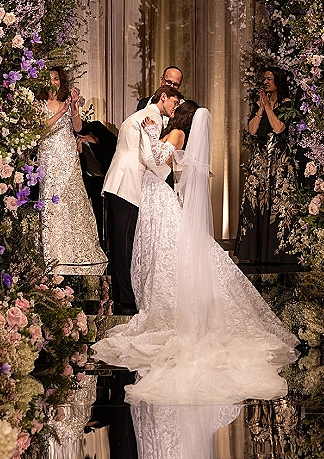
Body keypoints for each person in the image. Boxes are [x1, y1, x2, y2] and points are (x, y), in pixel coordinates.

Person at [93, 102, 298, 404]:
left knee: (165, 251)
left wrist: (151, 135)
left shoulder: (176, 133)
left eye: (177, 108)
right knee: (157, 252)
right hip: (152, 195)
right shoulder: (175, 132)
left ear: (183, 116)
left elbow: (155, 162)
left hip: (156, 195)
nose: (172, 110)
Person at [102, 85, 181, 314]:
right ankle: (126, 300)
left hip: (118, 180)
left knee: (119, 243)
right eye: (174, 102)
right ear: (163, 97)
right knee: (125, 244)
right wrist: (167, 175)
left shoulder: (138, 115)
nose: (175, 108)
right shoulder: (151, 117)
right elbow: (148, 157)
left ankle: (122, 297)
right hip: (127, 183)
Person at [36, 67, 107, 276]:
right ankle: (54, 256)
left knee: (72, 197)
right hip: (49, 155)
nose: (53, 83)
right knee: (52, 199)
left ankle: (75, 254)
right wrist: (61, 111)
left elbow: (77, 128)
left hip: (68, 154)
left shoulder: (67, 102)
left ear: (61, 81)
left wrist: (73, 107)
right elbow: (41, 128)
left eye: (56, 79)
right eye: (49, 79)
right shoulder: (38, 104)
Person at [234, 66, 300, 272]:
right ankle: (255, 252)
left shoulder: (287, 104)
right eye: (264, 79)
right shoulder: (260, 105)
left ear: (278, 81)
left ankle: (277, 252)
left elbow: (279, 128)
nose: (265, 82)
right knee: (255, 203)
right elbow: (252, 130)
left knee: (278, 204)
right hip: (260, 161)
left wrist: (269, 107)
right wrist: (261, 108)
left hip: (278, 162)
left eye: (269, 79)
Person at [76, 119, 117, 248]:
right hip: (92, 181)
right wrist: (80, 152)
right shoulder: (72, 140)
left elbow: (113, 148)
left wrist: (95, 141)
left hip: (108, 176)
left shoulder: (96, 127)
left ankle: (109, 245)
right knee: (96, 215)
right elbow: (82, 168)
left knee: (111, 217)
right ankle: (99, 244)